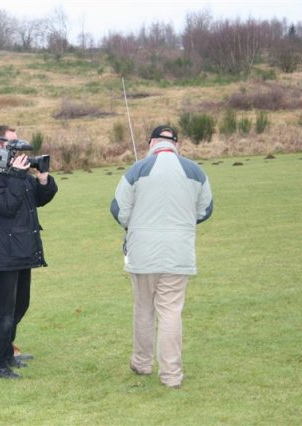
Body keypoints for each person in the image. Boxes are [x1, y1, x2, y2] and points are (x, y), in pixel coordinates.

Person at [110, 125, 213, 389]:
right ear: (176, 144)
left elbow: (119, 210)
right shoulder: (195, 171)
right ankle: (171, 375)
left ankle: (142, 363)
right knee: (171, 313)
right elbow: (205, 209)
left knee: (143, 309)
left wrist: (135, 225)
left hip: (142, 254)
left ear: (151, 143)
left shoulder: (137, 169)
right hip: (179, 253)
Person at [0, 125, 58, 379]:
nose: (17, 146)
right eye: (11, 142)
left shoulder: (17, 176)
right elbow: (6, 205)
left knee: (20, 303)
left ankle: (7, 353)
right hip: (2, 250)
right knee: (3, 308)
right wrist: (18, 176)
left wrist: (43, 179)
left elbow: (38, 199)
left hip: (22, 247)